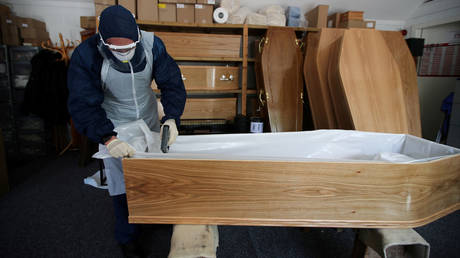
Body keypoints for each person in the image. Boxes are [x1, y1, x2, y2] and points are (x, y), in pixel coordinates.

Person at [67, 5, 186, 257]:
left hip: (148, 117)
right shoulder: (86, 55)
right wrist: (108, 138)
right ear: (103, 42)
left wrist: (172, 117)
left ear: (138, 37)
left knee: (155, 174)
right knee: (123, 184)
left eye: (129, 47)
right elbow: (82, 102)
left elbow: (172, 83)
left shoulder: (154, 45)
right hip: (113, 124)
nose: (125, 53)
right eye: (117, 49)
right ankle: (127, 236)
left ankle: (155, 219)